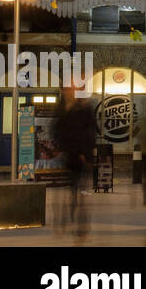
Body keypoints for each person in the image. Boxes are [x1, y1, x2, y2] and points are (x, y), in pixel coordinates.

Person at [54, 88, 96, 238]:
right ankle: (72, 222)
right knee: (73, 192)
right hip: (72, 157)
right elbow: (59, 131)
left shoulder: (83, 111)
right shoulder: (66, 111)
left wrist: (87, 155)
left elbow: (89, 134)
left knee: (78, 192)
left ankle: (79, 226)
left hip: (79, 157)